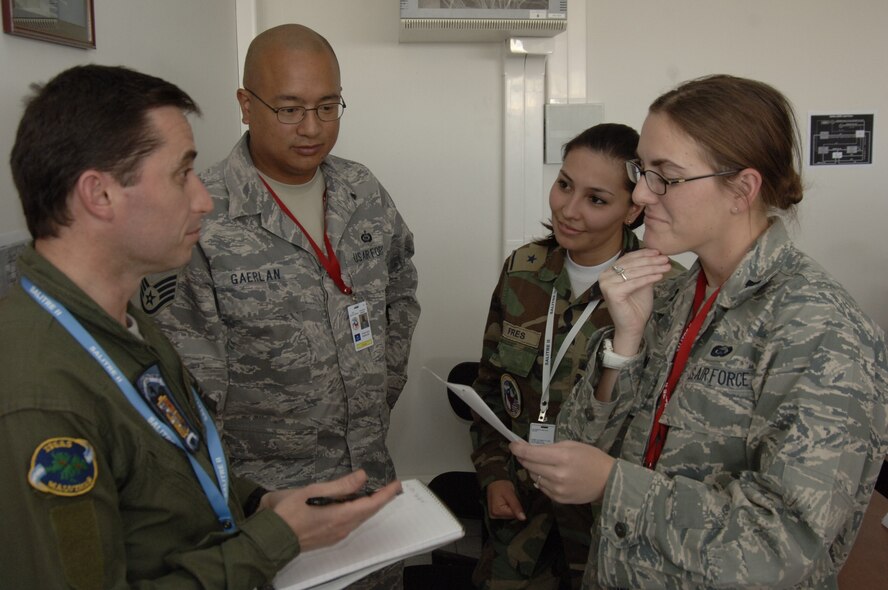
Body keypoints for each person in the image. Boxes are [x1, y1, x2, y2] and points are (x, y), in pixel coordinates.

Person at [0, 64, 401, 589]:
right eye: (180, 175)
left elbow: (172, 469)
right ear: (99, 195)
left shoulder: (124, 324)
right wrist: (276, 538)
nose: (204, 199)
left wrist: (259, 501)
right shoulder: (40, 393)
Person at [510, 74, 888, 589]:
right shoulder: (668, 294)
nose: (641, 195)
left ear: (742, 189)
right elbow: (575, 444)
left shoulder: (820, 329)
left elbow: (786, 543)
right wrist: (623, 346)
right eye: (641, 171)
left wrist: (614, 485)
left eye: (665, 176)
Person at [147, 23, 419, 496]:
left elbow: (400, 293)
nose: (312, 127)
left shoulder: (363, 191)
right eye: (290, 109)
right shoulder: (202, 214)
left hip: (369, 473)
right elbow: (185, 384)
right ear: (247, 106)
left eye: (328, 107)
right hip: (267, 497)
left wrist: (377, 390)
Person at [471, 124, 681, 589]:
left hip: (608, 526)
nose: (568, 209)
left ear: (633, 210)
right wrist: (493, 476)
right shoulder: (523, 271)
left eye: (597, 199)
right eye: (565, 184)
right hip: (521, 516)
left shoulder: (667, 292)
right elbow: (489, 387)